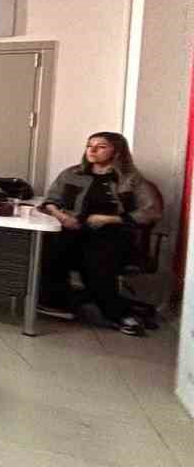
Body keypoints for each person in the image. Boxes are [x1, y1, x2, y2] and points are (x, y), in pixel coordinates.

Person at [37, 131, 162, 334]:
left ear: (117, 152)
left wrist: (108, 219)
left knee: (96, 258)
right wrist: (62, 217)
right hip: (73, 228)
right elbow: (51, 200)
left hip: (113, 233)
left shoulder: (130, 180)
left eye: (101, 146)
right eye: (89, 146)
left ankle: (118, 315)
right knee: (47, 247)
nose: (92, 150)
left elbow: (151, 211)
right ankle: (56, 303)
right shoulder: (72, 173)